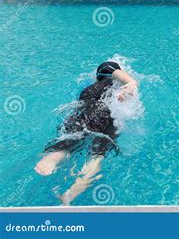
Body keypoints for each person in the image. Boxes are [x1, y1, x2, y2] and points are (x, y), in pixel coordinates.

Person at [34, 61, 138, 205]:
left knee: (77, 135)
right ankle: (70, 194)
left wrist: (130, 83)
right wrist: (131, 82)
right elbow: (114, 71)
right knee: (97, 156)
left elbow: (115, 73)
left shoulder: (99, 83)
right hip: (111, 119)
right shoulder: (109, 75)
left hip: (94, 110)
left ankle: (57, 156)